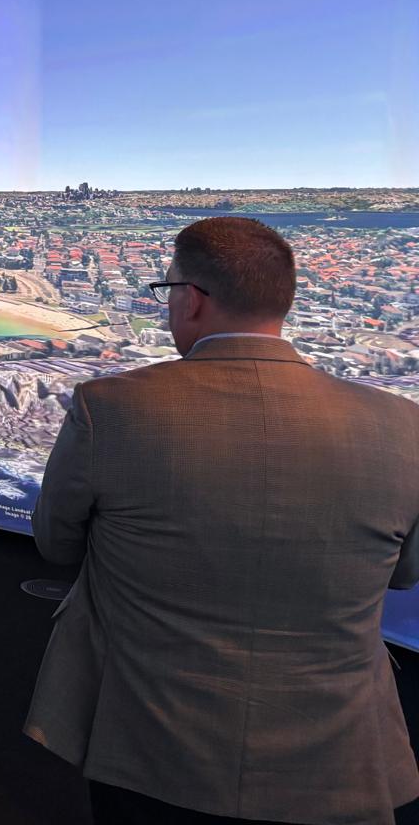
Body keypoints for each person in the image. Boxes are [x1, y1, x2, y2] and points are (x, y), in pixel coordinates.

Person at [26, 216, 419, 825]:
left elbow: (56, 544)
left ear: (191, 300)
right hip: (338, 759)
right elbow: (403, 574)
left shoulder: (111, 409)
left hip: (148, 745)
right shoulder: (403, 427)